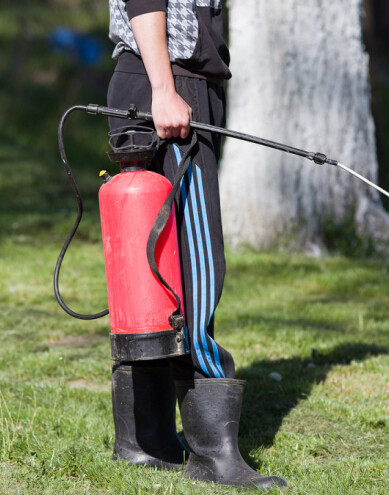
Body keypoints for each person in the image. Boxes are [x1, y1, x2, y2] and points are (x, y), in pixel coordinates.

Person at [106, 0, 287, 489]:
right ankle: (212, 453)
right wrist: (165, 90)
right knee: (197, 270)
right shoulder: (169, 87)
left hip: (154, 81)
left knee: (156, 278)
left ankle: (147, 441)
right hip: (168, 86)